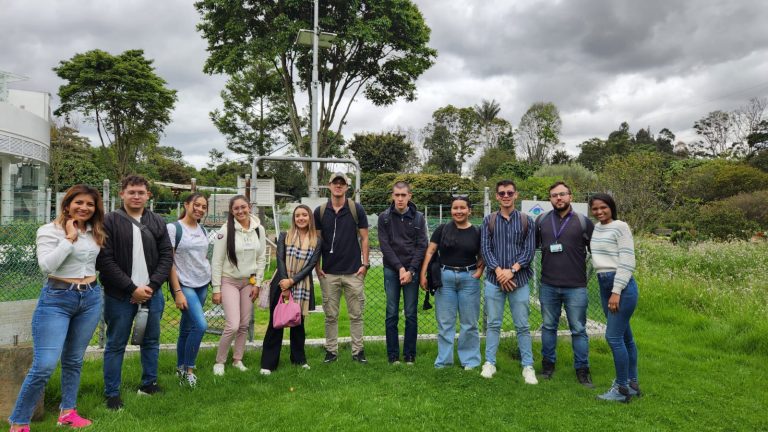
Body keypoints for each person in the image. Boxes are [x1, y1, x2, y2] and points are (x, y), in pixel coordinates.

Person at [8, 185, 106, 431]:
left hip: (91, 298)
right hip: (57, 300)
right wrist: (69, 239)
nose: (84, 208)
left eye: (90, 204)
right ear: (67, 204)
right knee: (44, 365)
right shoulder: (49, 231)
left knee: (73, 361)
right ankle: (19, 422)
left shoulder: (95, 231)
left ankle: (68, 413)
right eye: (79, 202)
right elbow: (47, 266)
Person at [97, 175, 173, 410]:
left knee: (151, 341)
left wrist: (151, 286)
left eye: (141, 192)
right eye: (132, 192)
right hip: (119, 295)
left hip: (152, 293)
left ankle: (149, 384)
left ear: (148, 195)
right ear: (122, 194)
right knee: (116, 344)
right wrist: (132, 288)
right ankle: (112, 394)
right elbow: (105, 261)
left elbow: (167, 256)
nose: (136, 196)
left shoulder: (157, 221)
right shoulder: (108, 221)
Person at [537, 181, 595, 387]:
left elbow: (596, 250)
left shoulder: (583, 222)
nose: (558, 198)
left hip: (576, 287)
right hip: (548, 285)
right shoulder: (542, 220)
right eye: (554, 195)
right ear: (550, 199)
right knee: (548, 327)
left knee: (578, 329)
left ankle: (582, 370)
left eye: (562, 194)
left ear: (570, 196)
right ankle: (547, 367)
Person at [480, 180, 537, 384]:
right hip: (494, 281)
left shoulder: (526, 221)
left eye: (509, 192)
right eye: (502, 193)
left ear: (516, 195)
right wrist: (499, 271)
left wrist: (512, 271)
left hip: (519, 281)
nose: (506, 196)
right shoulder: (489, 221)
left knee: (522, 325)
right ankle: (489, 363)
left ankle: (527, 366)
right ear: (496, 196)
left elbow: (529, 251)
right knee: (493, 324)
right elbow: (486, 249)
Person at [419, 195, 483, 369]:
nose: (459, 211)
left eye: (463, 208)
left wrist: (479, 272)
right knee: (446, 323)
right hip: (445, 278)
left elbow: (483, 255)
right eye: (455, 208)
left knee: (469, 323)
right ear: (451, 210)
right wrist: (423, 274)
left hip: (469, 279)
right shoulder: (442, 229)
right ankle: (444, 362)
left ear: (469, 210)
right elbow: (430, 252)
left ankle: (469, 360)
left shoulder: (477, 231)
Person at [589, 193, 640, 403]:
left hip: (620, 284)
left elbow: (627, 261)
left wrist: (616, 291)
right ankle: (632, 384)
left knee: (613, 337)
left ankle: (621, 388)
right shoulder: (597, 228)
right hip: (603, 282)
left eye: (604, 207)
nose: (599, 212)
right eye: (595, 209)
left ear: (611, 207)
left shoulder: (621, 226)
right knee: (625, 337)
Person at [314, 172, 370, 363]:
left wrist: (365, 264)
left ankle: (358, 351)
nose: (338, 186)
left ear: (347, 187)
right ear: (329, 186)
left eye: (342, 183)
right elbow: (317, 241)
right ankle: (331, 351)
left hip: (353, 272)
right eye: (335, 183)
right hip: (329, 273)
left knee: (356, 315)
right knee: (331, 316)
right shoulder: (320, 211)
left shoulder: (356, 209)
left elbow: (365, 238)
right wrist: (317, 266)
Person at [260, 205, 322, 374]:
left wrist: (292, 281)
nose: (301, 218)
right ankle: (268, 364)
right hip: (280, 282)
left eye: (304, 215)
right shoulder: (284, 236)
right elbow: (280, 259)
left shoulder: (317, 240)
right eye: (297, 216)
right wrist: (285, 283)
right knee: (276, 323)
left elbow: (311, 265)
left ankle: (299, 359)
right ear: (294, 219)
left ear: (310, 218)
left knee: (298, 324)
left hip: (302, 285)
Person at [211, 195, 266, 376]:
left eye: (244, 207)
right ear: (232, 211)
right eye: (236, 209)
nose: (241, 211)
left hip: (248, 283)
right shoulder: (225, 231)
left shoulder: (259, 230)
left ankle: (237, 360)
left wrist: (257, 283)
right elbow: (217, 261)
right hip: (229, 281)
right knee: (233, 324)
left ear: (249, 207)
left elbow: (261, 258)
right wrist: (216, 288)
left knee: (244, 324)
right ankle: (220, 362)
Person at [379, 181, 427, 365]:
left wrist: (411, 270)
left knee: (410, 313)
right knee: (391, 312)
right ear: (392, 196)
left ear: (409, 196)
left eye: (403, 195)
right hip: (392, 270)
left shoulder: (418, 218)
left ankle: (409, 355)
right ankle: (393, 355)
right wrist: (399, 268)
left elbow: (421, 245)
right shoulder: (384, 218)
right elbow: (385, 246)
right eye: (397, 195)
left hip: (411, 271)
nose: (400, 198)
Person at [167, 193, 211, 387]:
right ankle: (189, 370)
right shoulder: (173, 228)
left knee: (186, 328)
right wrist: (177, 292)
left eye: (203, 206)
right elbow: (169, 262)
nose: (200, 209)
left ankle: (180, 368)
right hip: (184, 284)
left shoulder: (202, 228)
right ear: (186, 205)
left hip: (202, 282)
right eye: (196, 205)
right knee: (200, 325)